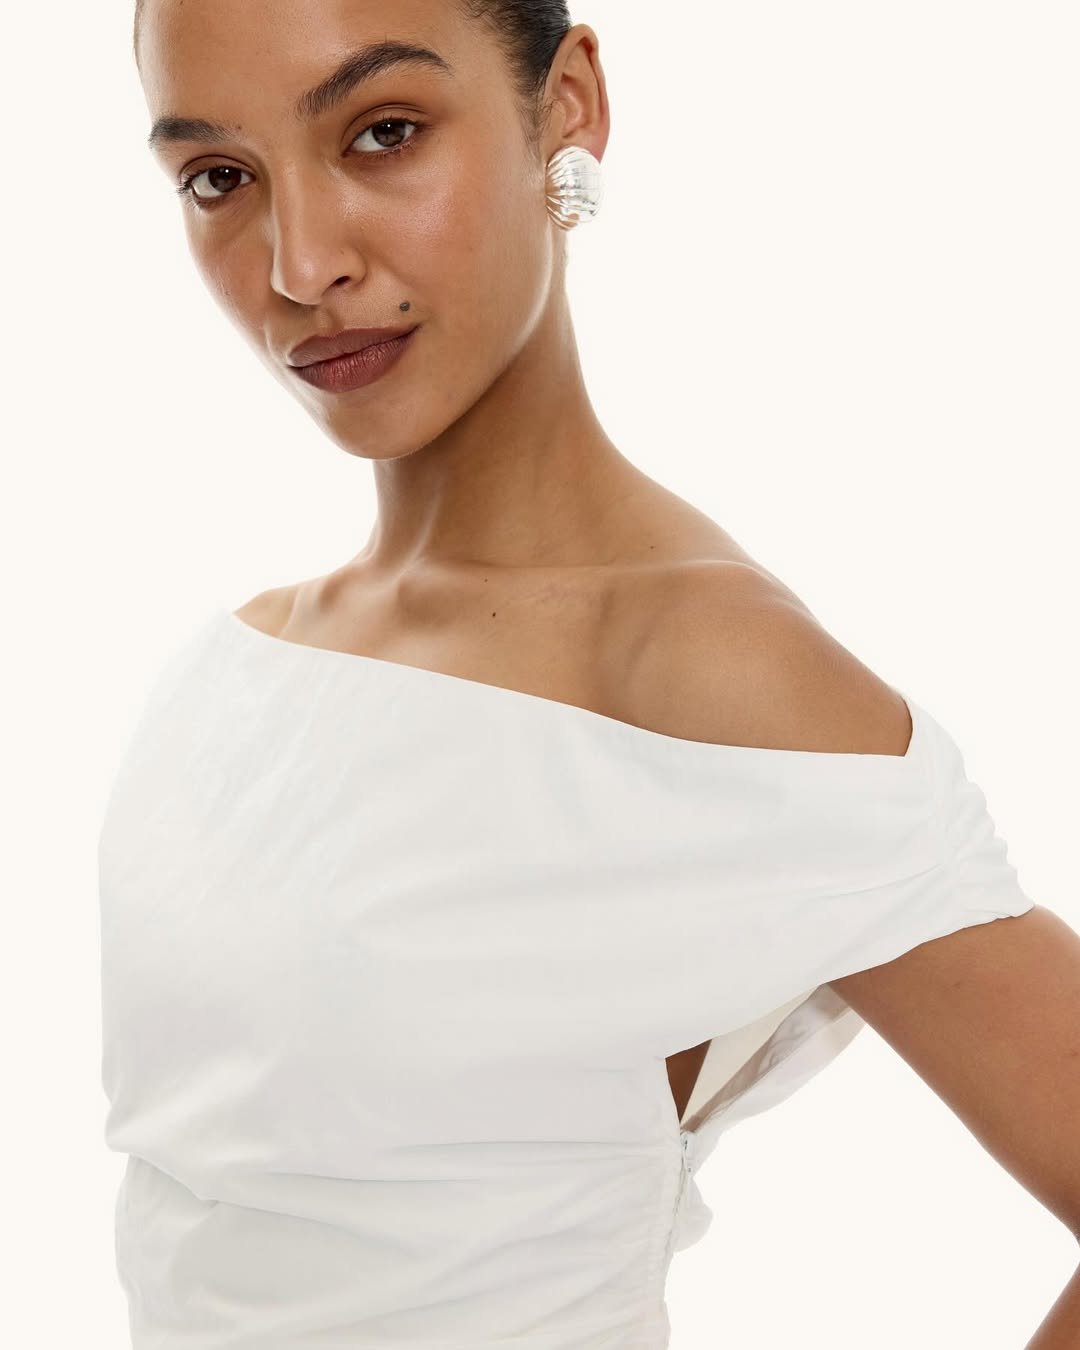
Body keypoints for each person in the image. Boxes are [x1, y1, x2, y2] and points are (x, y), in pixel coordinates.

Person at [99, 1, 1080, 1346]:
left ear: (564, 106)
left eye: (383, 134)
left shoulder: (700, 670)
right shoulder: (239, 660)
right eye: (219, 176)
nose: (300, 260)